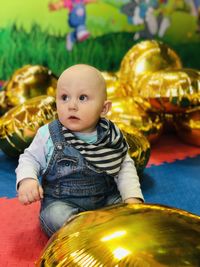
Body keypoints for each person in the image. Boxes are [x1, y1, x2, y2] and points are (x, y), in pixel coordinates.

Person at [16, 64, 144, 237]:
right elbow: (29, 158)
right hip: (62, 202)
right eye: (64, 97)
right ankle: (87, 229)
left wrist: (132, 199)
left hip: (105, 198)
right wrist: (27, 180)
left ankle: (98, 227)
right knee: (55, 217)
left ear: (104, 108)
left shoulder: (111, 136)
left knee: (133, 214)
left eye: (82, 98)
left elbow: (124, 168)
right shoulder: (49, 134)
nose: (72, 106)